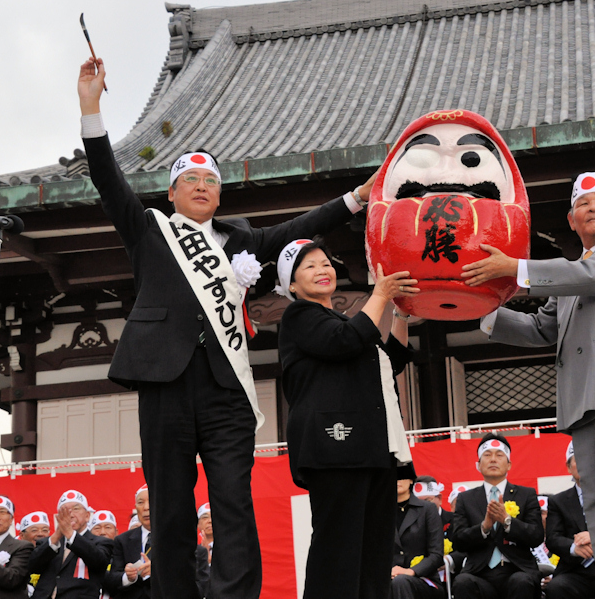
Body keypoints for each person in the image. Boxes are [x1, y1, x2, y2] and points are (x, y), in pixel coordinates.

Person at [77, 58, 376, 599]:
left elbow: (300, 228)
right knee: (169, 504)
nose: (200, 186)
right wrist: (91, 107)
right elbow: (107, 179)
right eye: (188, 179)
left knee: (233, 501)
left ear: (219, 195)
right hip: (165, 381)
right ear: (171, 193)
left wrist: (357, 198)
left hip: (226, 391)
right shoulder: (149, 230)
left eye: (209, 181)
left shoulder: (241, 240)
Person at [465, 172, 595, 599]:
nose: (593, 208)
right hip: (583, 407)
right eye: (584, 204)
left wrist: (516, 269)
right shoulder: (571, 274)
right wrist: (478, 308)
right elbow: (542, 328)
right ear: (571, 219)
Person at [277, 236, 417, 599]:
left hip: (373, 447)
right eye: (309, 266)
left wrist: (400, 314)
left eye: (325, 263)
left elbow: (388, 361)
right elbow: (342, 341)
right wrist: (381, 295)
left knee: (373, 552)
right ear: (292, 284)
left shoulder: (340, 321)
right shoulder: (299, 316)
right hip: (335, 445)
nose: (322, 270)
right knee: (338, 549)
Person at [449, 434, 545, 599]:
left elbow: (536, 536)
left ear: (509, 465)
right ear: (478, 465)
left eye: (499, 455)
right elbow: (458, 540)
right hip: (479, 572)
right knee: (463, 582)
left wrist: (507, 522)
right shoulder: (466, 499)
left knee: (521, 581)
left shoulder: (526, 494)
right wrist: (484, 527)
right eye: (487, 455)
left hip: (517, 568)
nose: (493, 459)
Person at [544, 441, 595, 599]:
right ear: (569, 467)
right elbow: (552, 537)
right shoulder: (559, 501)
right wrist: (574, 548)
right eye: (578, 459)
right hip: (575, 571)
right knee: (556, 588)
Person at [28, 489, 114, 599]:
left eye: (76, 509)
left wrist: (70, 534)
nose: (71, 514)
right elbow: (33, 567)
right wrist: (55, 537)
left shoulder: (101, 542)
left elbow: (99, 562)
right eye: (65, 510)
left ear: (87, 515)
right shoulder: (48, 542)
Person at [391, 477, 445, 599]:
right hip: (389, 577)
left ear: (411, 480)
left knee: (400, 582)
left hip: (423, 579)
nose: (397, 480)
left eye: (402, 475)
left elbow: (436, 554)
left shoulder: (427, 509)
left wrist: (410, 571)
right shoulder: (379, 511)